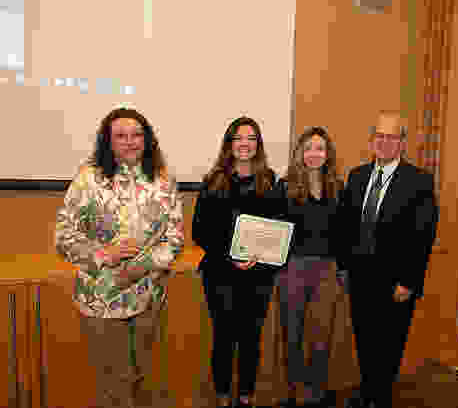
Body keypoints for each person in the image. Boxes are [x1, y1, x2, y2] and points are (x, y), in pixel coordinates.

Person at [55, 107, 185, 408]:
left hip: (149, 295)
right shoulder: (88, 180)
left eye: (137, 134)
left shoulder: (163, 181)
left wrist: (140, 268)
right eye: (121, 136)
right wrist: (103, 254)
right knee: (114, 384)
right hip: (101, 298)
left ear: (147, 139)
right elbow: (63, 237)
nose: (130, 142)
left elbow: (175, 238)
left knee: (144, 379)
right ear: (108, 141)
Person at [339, 111, 439, 408]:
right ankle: (367, 392)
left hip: (396, 283)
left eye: (392, 137)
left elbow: (423, 236)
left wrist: (408, 281)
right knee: (365, 341)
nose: (384, 142)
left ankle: (380, 397)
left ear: (402, 143)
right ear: (371, 141)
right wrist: (344, 266)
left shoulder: (419, 181)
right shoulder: (357, 176)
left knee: (390, 345)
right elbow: (346, 226)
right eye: (379, 136)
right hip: (360, 279)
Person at [192, 116, 282, 408]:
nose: (245, 144)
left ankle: (246, 396)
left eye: (251, 138)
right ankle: (221, 396)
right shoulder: (213, 180)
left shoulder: (270, 180)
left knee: (251, 339)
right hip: (221, 273)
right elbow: (199, 230)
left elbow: (278, 225)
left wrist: (261, 256)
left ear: (258, 144)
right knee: (223, 338)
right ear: (229, 144)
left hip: (259, 274)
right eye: (239, 138)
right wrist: (230, 256)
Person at [274, 127, 344, 408]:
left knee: (321, 333)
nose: (315, 154)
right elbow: (275, 229)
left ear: (328, 155)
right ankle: (291, 393)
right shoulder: (285, 185)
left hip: (328, 269)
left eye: (320, 149)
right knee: (291, 332)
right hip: (292, 268)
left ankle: (316, 393)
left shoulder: (338, 187)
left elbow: (344, 232)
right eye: (309, 148)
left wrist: (344, 267)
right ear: (300, 153)